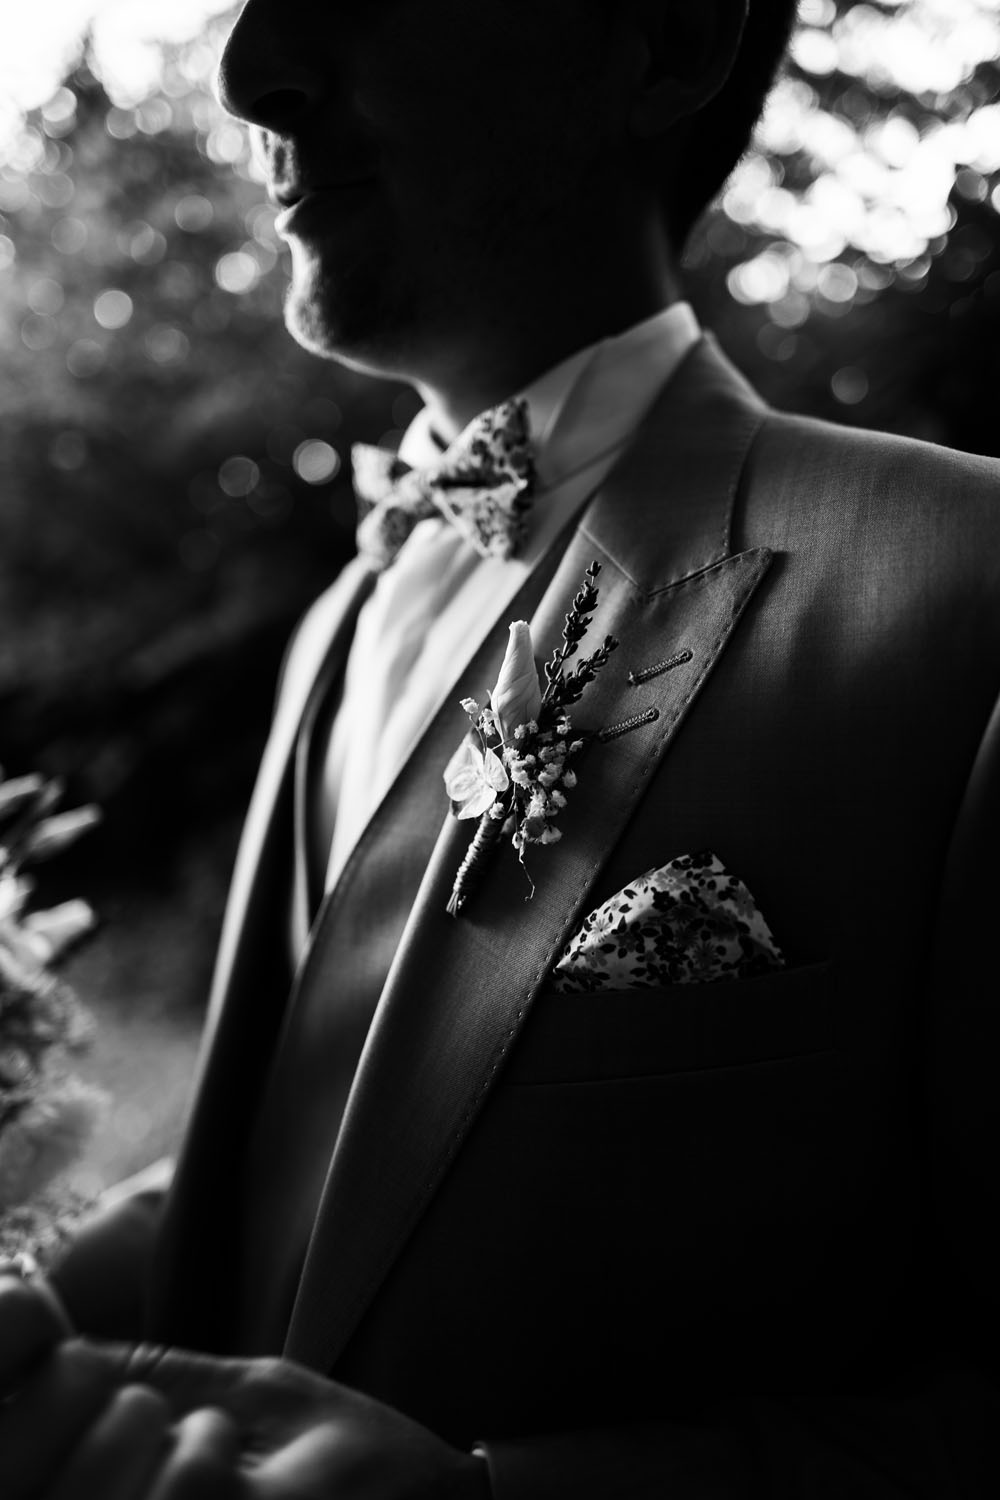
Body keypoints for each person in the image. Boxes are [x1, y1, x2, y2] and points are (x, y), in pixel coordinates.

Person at [2, 0, 999, 1494]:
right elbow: (306, 1161)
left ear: (664, 39)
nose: (249, 65)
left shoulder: (966, 590)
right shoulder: (342, 622)